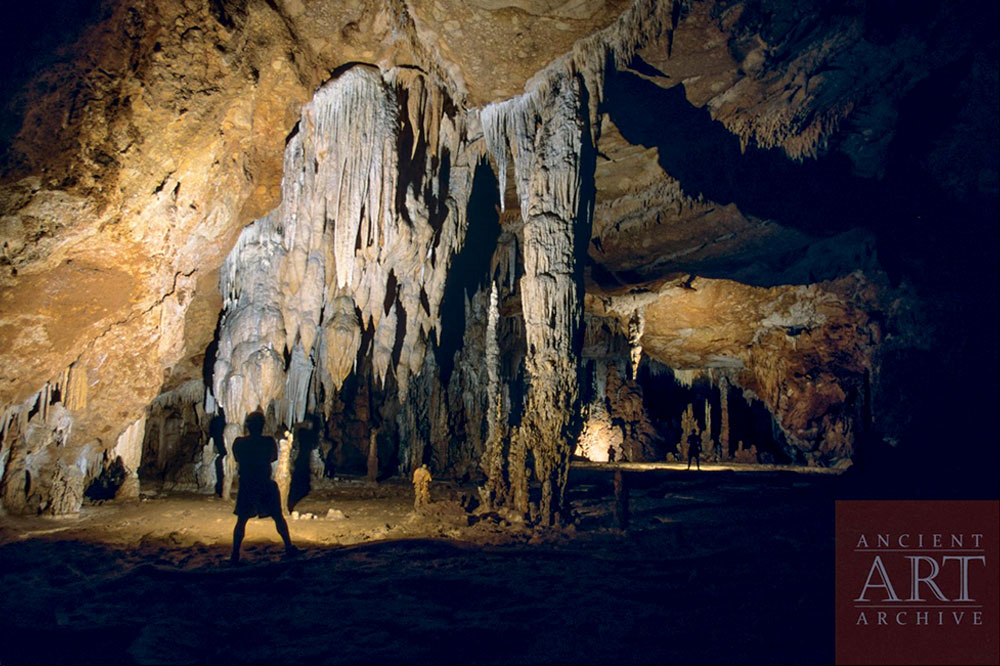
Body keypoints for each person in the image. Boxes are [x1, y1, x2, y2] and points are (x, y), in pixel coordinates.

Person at [230, 412, 298, 564]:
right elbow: (273, 457)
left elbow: (237, 458)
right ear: (262, 426)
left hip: (247, 484)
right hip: (264, 483)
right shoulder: (268, 442)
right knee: (277, 517)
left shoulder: (239, 443)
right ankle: (288, 546)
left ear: (248, 426)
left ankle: (235, 553)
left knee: (241, 520)